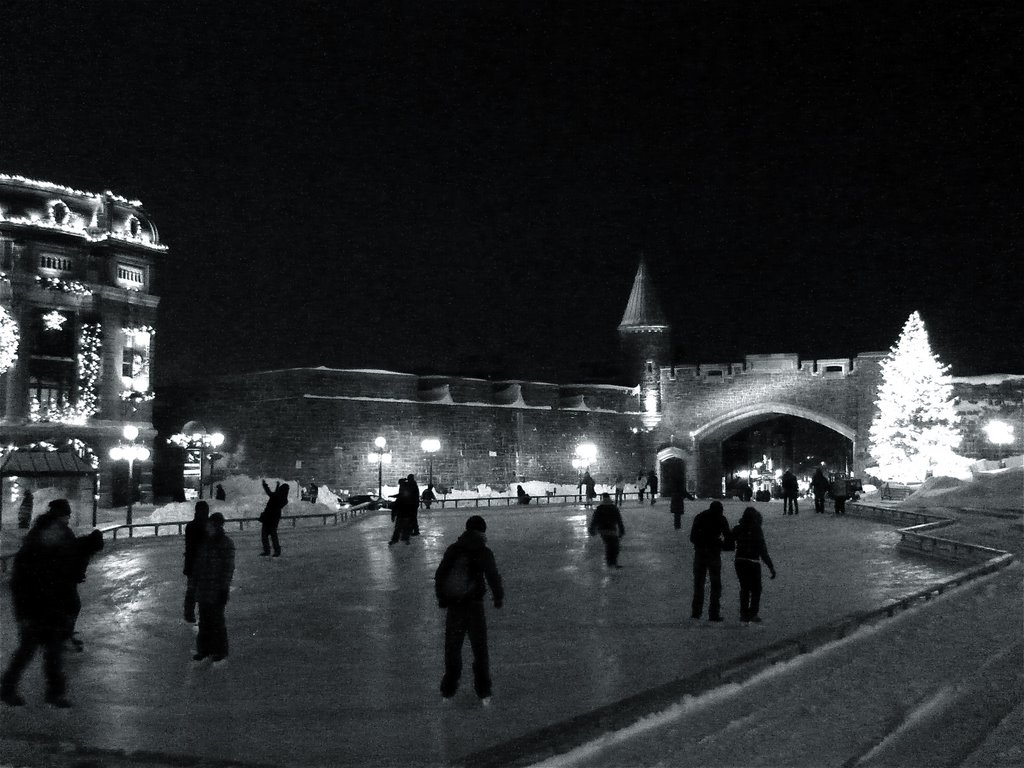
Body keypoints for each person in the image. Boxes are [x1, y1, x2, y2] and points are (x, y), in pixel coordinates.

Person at [1, 499, 79, 707]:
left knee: (53, 654)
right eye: (55, 531)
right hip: (34, 610)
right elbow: (20, 585)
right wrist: (23, 615)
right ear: (48, 529)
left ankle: (54, 693)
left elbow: (64, 579)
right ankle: (8, 688)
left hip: (51, 609)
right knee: (27, 652)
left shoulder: (56, 547)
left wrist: (66, 605)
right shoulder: (31, 551)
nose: (59, 534)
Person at [434, 515, 504, 704]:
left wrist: (442, 598)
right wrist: (498, 597)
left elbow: (440, 575)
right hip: (474, 607)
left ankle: (448, 691)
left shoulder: (454, 549)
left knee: (452, 649)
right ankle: (484, 692)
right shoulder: (483, 551)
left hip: (455, 606)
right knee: (480, 650)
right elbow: (492, 576)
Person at [193, 512, 235, 663]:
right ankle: (204, 649)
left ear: (217, 526)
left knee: (216, 620)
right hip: (204, 588)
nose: (207, 528)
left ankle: (220, 650)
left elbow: (228, 569)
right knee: (204, 620)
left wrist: (223, 588)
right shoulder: (205, 542)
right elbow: (199, 565)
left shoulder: (226, 544)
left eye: (210, 525)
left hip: (216, 589)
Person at [689, 500, 733, 622]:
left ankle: (696, 612)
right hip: (714, 554)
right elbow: (728, 538)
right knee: (715, 585)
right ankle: (713, 613)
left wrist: (701, 544)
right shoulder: (721, 519)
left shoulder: (700, 517)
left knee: (699, 584)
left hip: (700, 553)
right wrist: (721, 544)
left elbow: (692, 537)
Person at [731, 507, 777, 623]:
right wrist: (770, 566)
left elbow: (729, 539)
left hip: (740, 560)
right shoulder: (757, 529)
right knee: (756, 589)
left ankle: (744, 614)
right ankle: (752, 613)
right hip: (753, 561)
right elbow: (763, 550)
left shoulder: (739, 528)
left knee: (745, 588)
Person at [183, 501, 209, 623]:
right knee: (201, 590)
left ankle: (190, 613)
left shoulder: (191, 526)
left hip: (193, 563)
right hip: (201, 563)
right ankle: (201, 613)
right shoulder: (205, 526)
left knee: (192, 590)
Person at [588, 492, 626, 568]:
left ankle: (610, 562)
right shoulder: (614, 508)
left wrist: (592, 529)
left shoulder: (599, 509)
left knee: (609, 545)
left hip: (602, 530)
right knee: (614, 546)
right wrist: (621, 530)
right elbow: (619, 520)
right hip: (612, 530)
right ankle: (612, 562)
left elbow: (595, 520)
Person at [259, 479, 289, 557]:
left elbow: (270, 493)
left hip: (268, 516)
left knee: (265, 535)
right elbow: (274, 495)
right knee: (273, 535)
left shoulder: (276, 496)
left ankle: (267, 551)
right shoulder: (284, 499)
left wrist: (264, 485)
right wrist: (277, 486)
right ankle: (277, 551)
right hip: (275, 518)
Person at [388, 478, 417, 545]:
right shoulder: (408, 490)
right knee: (405, 527)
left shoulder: (404, 491)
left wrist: (393, 515)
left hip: (403, 513)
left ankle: (398, 539)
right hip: (406, 513)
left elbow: (397, 504)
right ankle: (404, 539)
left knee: (399, 527)